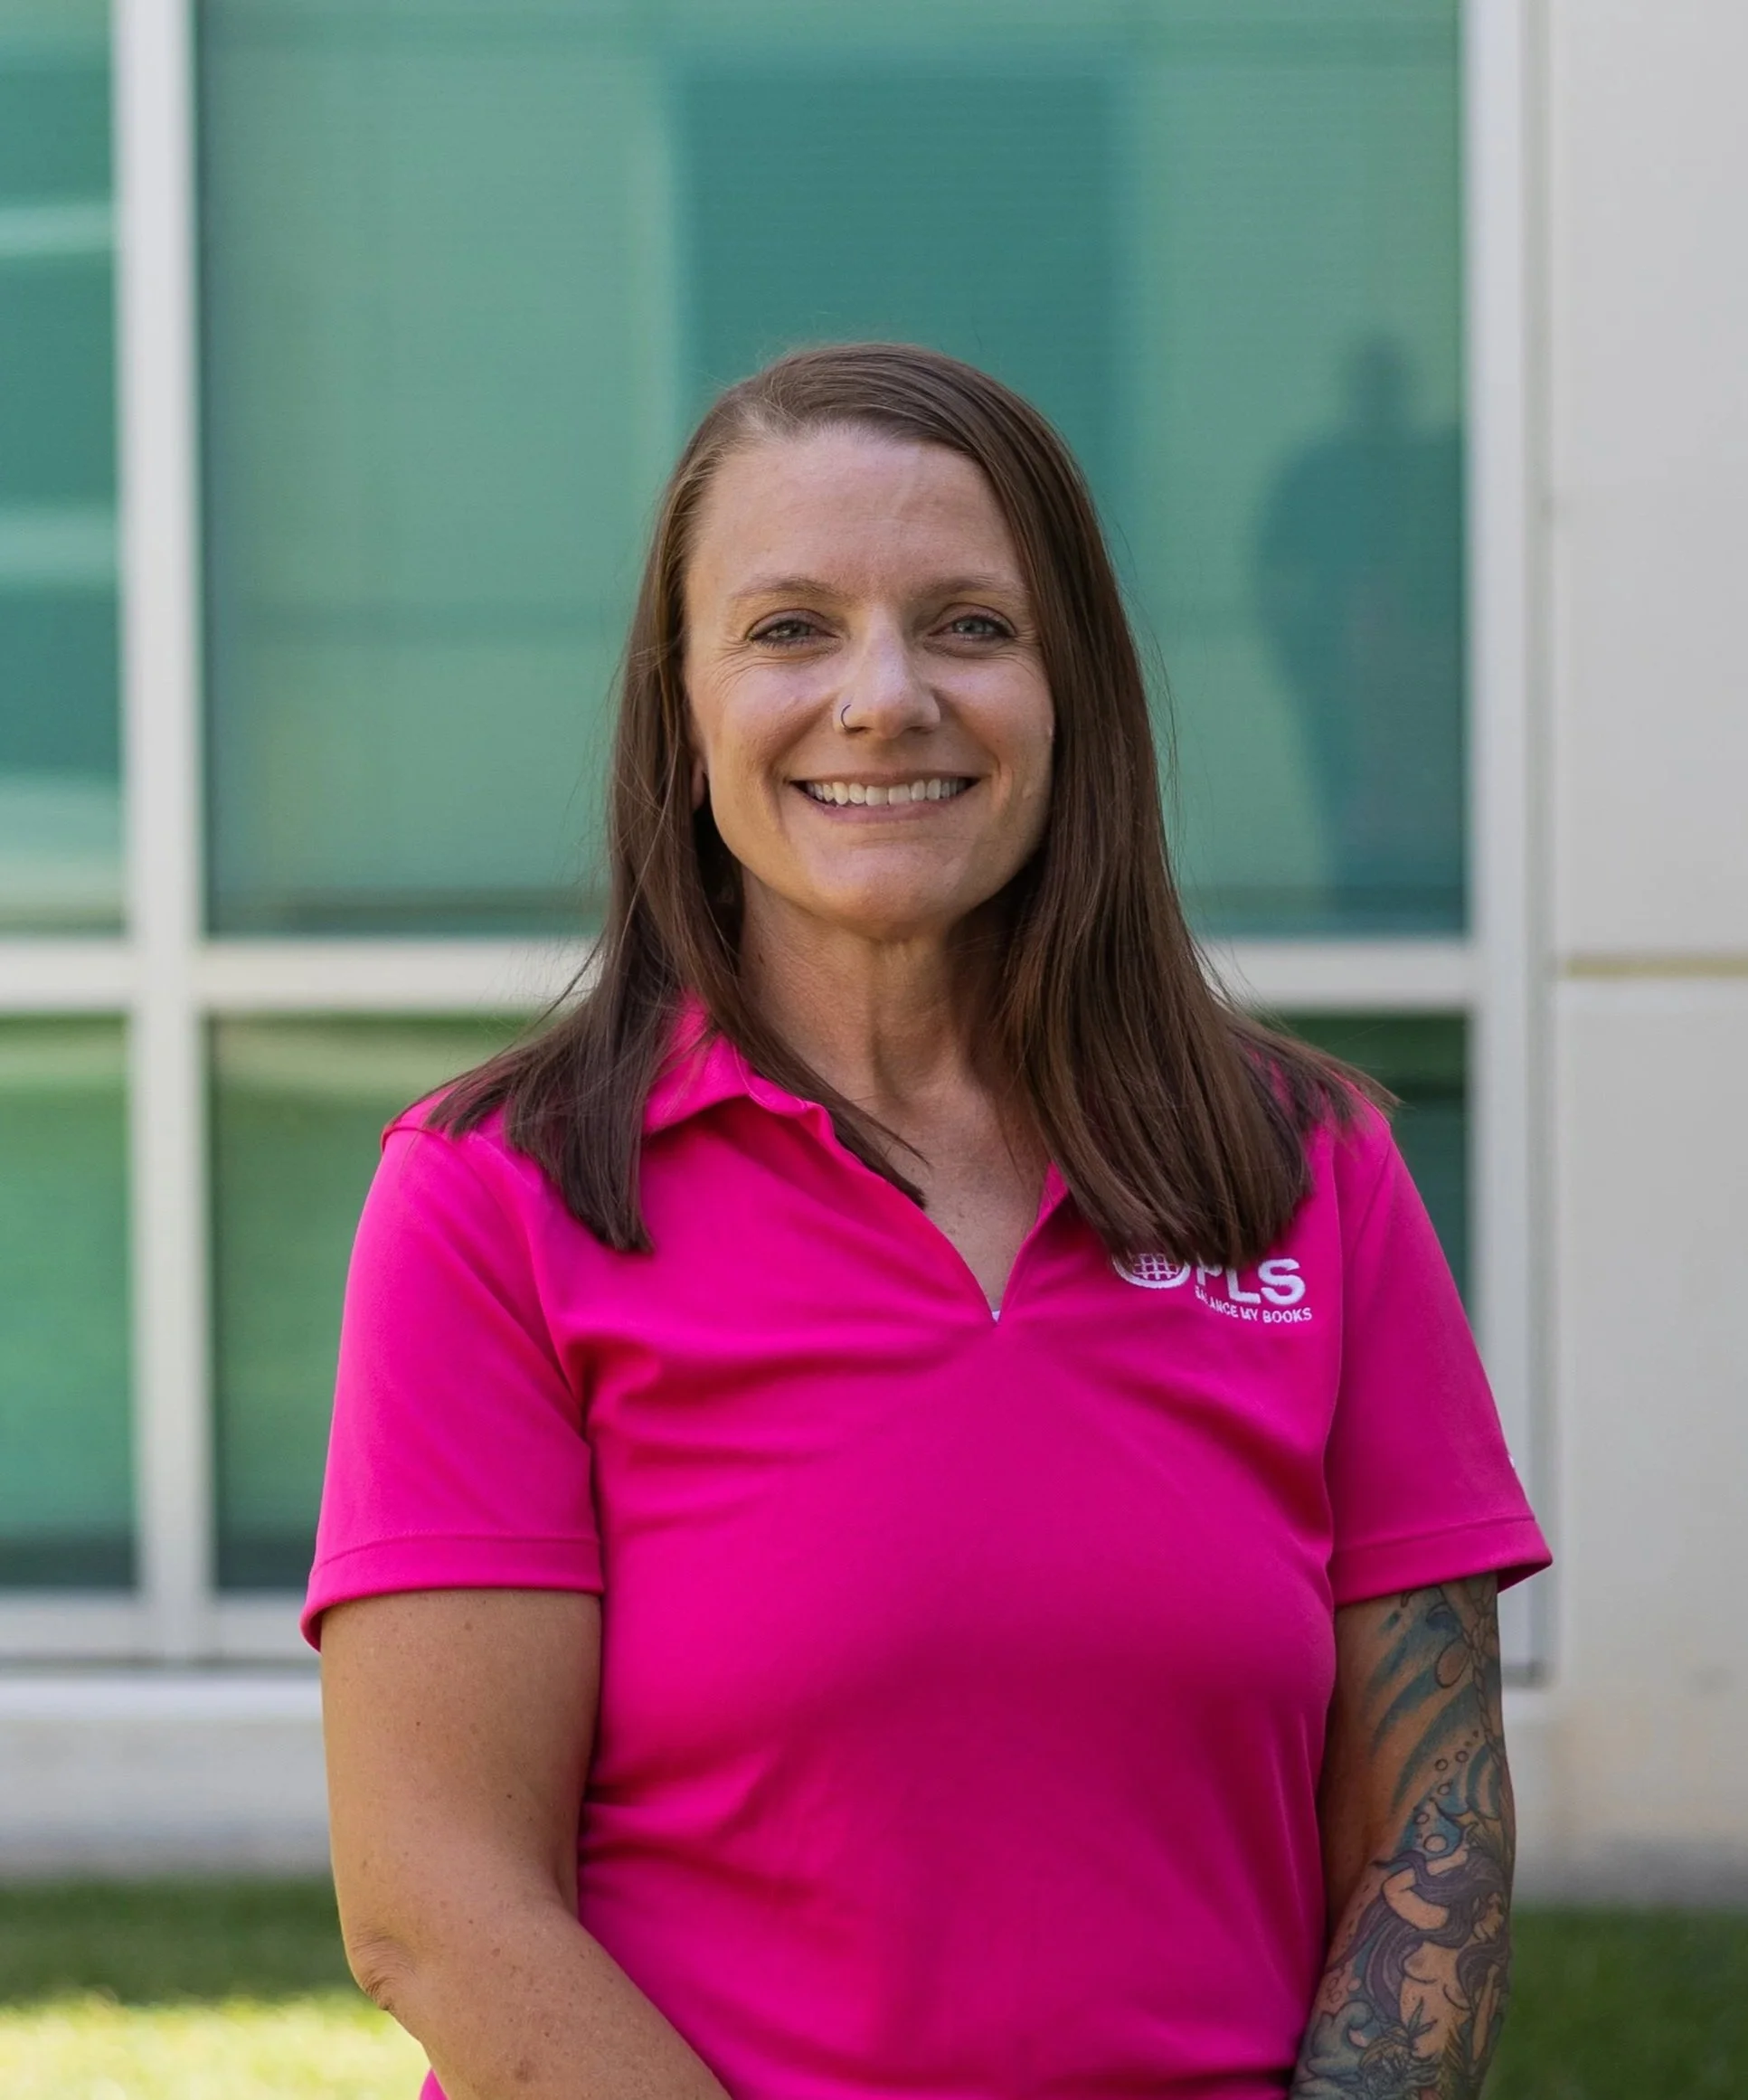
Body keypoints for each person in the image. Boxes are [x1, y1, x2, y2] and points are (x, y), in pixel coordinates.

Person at [307, 343, 1549, 2100]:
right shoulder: (498, 1197)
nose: (885, 699)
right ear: (682, 708)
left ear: (1071, 692)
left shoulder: (1306, 1169)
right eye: (790, 628)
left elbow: (1434, 1830)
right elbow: (439, 1906)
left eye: (969, 624)